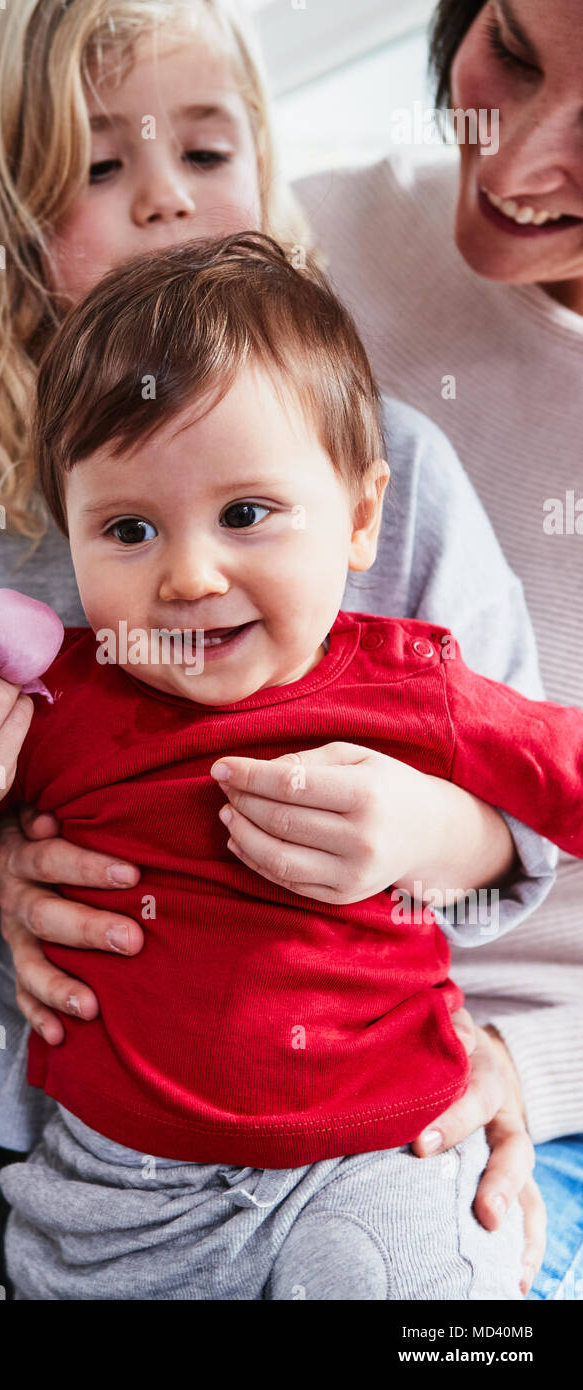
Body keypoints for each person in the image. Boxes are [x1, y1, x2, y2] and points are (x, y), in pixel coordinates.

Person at [0, 0, 560, 1297]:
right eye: (100, 167)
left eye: (205, 156)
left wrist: (417, 830)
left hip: (330, 1103)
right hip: (17, 1070)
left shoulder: (390, 481)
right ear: (8, 231)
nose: (165, 201)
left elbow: (526, 803)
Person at [290, 0, 583, 1299]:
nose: (513, 162)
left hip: (506, 1063)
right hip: (174, 967)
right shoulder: (305, 241)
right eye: (509, 53)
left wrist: (528, 1063)